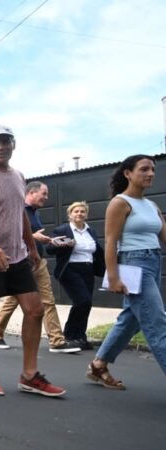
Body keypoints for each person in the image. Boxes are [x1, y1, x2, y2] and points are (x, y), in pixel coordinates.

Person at [0, 125, 66, 398]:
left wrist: (31, 247)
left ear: (13, 144)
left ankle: (29, 375)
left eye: (5, 142)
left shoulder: (18, 176)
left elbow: (20, 214)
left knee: (34, 310)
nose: (0, 147)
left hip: (19, 255)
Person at [88, 155, 166, 389]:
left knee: (131, 320)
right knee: (157, 323)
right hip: (134, 264)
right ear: (128, 174)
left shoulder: (151, 205)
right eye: (144, 169)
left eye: (152, 169)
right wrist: (113, 276)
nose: (150, 173)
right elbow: (110, 242)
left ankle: (99, 365)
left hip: (153, 261)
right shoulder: (120, 203)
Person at [0, 182, 81, 354]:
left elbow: (34, 237)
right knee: (12, 300)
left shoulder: (34, 213)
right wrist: (33, 236)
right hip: (21, 262)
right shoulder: (17, 209)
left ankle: (57, 341)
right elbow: (7, 233)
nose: (46, 198)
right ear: (31, 192)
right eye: (44, 194)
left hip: (38, 261)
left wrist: (48, 240)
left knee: (48, 300)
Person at [46, 201, 105, 351]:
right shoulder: (63, 229)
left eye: (82, 211)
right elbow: (50, 249)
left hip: (88, 270)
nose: (79, 214)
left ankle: (80, 337)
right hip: (70, 269)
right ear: (70, 215)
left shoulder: (90, 231)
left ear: (86, 215)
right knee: (82, 301)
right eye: (76, 211)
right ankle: (70, 335)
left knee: (87, 304)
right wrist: (63, 244)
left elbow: (96, 251)